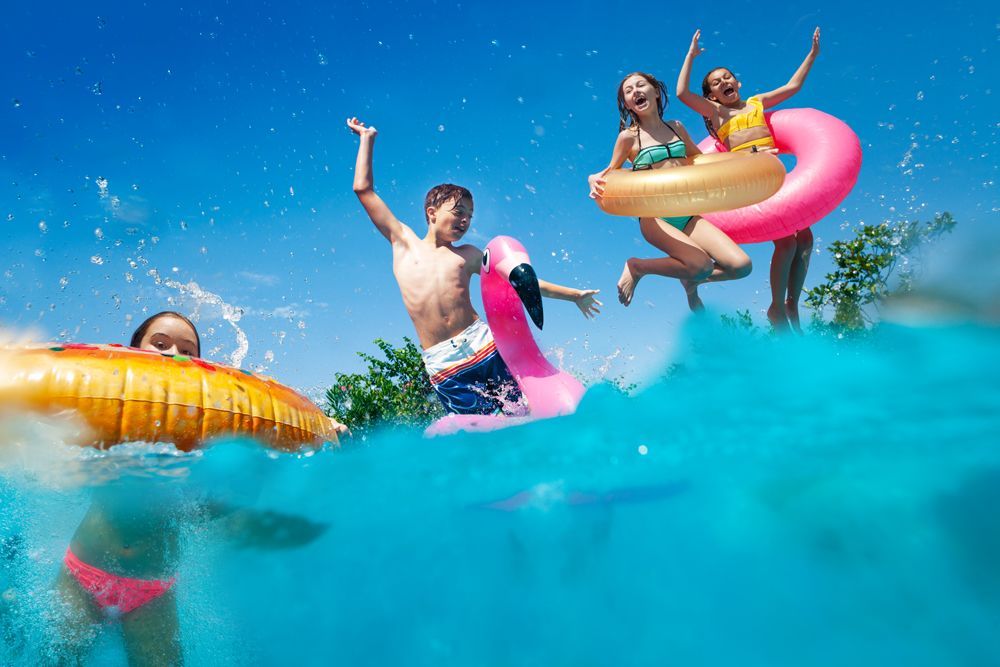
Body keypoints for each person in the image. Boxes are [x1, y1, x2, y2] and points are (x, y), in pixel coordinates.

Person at [52, 312, 329, 666]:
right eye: (161, 343)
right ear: (134, 349)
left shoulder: (200, 441)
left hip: (151, 590)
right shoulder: (108, 417)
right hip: (85, 573)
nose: (172, 355)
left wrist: (262, 472)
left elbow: (207, 511)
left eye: (187, 349)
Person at [347, 117, 601, 416]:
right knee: (478, 436)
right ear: (431, 212)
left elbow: (520, 282)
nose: (465, 220)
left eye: (470, 215)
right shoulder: (403, 242)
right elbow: (363, 189)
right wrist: (367, 138)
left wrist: (574, 295)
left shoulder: (467, 255)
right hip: (444, 364)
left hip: (485, 348)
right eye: (458, 212)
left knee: (519, 417)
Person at [676, 28, 821, 331]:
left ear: (737, 82)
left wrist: (812, 55)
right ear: (712, 96)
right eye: (716, 83)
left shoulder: (756, 102)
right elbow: (682, 94)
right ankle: (776, 307)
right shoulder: (717, 113)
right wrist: (690, 56)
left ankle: (791, 303)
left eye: (727, 77)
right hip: (751, 180)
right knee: (785, 243)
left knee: (805, 239)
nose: (723, 82)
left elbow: (793, 86)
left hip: (775, 173)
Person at [588, 73, 752, 309]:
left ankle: (690, 278)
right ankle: (638, 266)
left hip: (687, 214)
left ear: (655, 92)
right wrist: (591, 178)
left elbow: (697, 158)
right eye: (628, 90)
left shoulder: (676, 127)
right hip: (655, 217)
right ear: (626, 103)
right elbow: (610, 172)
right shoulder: (628, 138)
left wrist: (743, 159)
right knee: (702, 265)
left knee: (741, 266)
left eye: (641, 85)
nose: (635, 91)